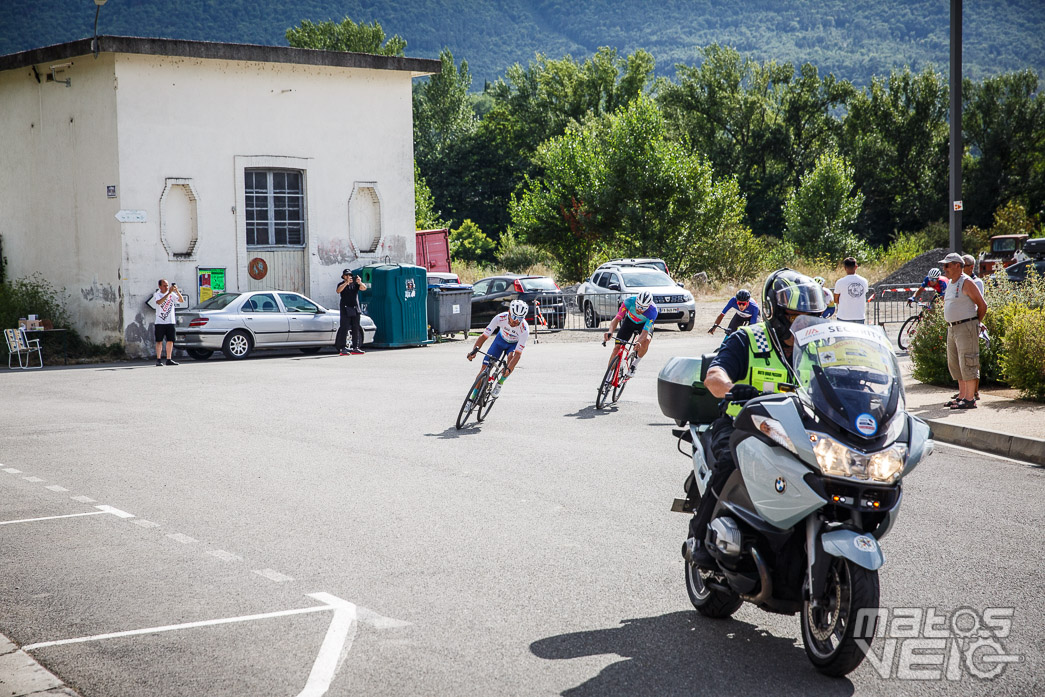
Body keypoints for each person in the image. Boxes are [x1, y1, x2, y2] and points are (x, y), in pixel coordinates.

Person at [686, 269, 828, 568]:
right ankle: (699, 538)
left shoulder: (820, 348)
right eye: (795, 317)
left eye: (811, 317)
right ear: (775, 312)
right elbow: (715, 375)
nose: (804, 325)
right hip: (745, 426)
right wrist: (732, 389)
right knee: (727, 462)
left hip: (800, 431)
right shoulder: (749, 339)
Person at [940, 252, 988, 409]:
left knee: (968, 360)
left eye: (947, 265)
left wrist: (975, 323)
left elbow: (982, 305)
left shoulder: (966, 282)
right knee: (956, 363)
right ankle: (962, 395)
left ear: (957, 266)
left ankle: (969, 398)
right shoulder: (951, 283)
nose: (944, 268)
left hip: (965, 326)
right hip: (953, 328)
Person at [467, 299, 530, 399]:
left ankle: (500, 383)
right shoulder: (500, 318)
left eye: (519, 318)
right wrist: (474, 351)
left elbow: (518, 354)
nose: (515, 321)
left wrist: (509, 369)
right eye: (514, 317)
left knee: (511, 358)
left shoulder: (524, 329)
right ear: (509, 312)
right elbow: (484, 336)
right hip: (500, 341)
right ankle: (473, 397)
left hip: (513, 345)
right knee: (484, 368)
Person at [604, 290, 658, 377]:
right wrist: (610, 331)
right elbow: (617, 318)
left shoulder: (653, 311)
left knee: (646, 340)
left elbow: (645, 331)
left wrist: (639, 342)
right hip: (629, 321)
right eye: (638, 306)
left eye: (643, 308)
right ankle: (607, 378)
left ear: (648, 306)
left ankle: (634, 365)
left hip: (643, 325)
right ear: (636, 301)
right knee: (616, 348)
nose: (639, 309)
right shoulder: (629, 301)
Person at [335, 269, 368, 355]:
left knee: (356, 328)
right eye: (346, 275)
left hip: (355, 308)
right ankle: (342, 348)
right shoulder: (341, 284)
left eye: (349, 275)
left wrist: (360, 282)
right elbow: (338, 291)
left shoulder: (355, 284)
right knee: (344, 328)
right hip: (345, 308)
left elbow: (364, 288)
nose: (348, 277)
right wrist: (346, 283)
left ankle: (355, 347)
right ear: (343, 276)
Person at [152, 279, 184, 366]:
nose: (166, 287)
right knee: (159, 341)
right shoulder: (157, 294)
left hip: (170, 321)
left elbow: (181, 300)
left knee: (170, 340)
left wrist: (176, 291)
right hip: (160, 321)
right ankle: (158, 359)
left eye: (167, 285)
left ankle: (169, 359)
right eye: (164, 285)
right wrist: (169, 293)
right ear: (160, 286)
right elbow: (159, 302)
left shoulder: (172, 294)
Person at [832, 257, 868, 324]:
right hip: (859, 316)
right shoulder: (864, 281)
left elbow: (836, 299)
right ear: (856, 267)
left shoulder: (840, 282)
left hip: (844, 316)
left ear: (845, 268)